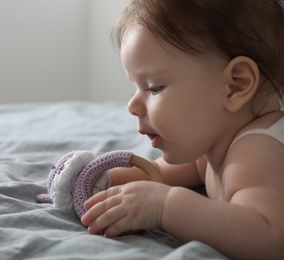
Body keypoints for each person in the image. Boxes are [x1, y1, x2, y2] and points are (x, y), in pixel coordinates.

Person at [80, 0, 284, 259]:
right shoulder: (211, 144)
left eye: (154, 87)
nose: (132, 106)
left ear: (235, 86)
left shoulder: (258, 151)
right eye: (136, 86)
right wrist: (102, 180)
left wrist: (165, 206)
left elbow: (270, 239)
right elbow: (160, 175)